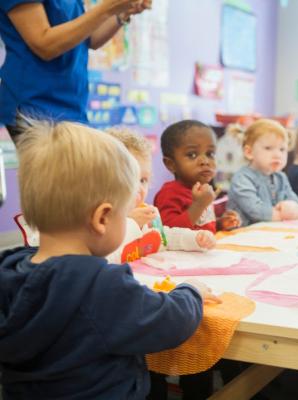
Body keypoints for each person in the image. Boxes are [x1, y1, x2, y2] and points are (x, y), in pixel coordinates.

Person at [0, 120, 219, 399]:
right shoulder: (99, 285)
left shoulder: (10, 270)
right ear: (103, 218)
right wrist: (191, 292)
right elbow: (168, 322)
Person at [0, 0, 152, 141]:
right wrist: (106, 8)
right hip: (34, 105)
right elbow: (44, 45)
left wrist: (123, 13)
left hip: (72, 102)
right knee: (55, 169)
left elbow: (90, 38)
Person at [105, 127, 216, 264]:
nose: (139, 188)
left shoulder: (146, 214)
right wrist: (132, 224)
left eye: (143, 180)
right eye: (130, 178)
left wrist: (195, 239)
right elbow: (106, 258)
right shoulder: (102, 221)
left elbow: (164, 238)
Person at [154, 120, 241, 233]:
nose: (205, 161)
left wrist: (220, 223)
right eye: (192, 155)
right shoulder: (169, 193)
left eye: (210, 154)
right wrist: (199, 205)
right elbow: (169, 231)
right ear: (171, 164)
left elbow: (200, 225)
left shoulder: (204, 190)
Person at [227, 119, 298, 226]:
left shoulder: (280, 177)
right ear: (249, 152)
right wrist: (288, 214)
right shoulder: (242, 179)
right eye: (268, 148)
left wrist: (291, 205)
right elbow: (257, 212)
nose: (277, 155)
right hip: (242, 235)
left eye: (282, 149)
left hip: (269, 231)